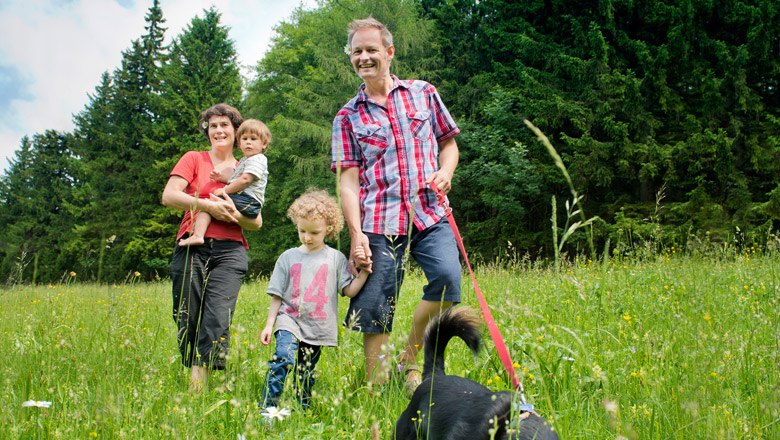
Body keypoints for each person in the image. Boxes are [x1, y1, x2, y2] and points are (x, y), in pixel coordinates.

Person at [331, 17, 463, 394]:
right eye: (356, 51)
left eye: (371, 49)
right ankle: (377, 389)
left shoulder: (423, 93)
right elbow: (348, 181)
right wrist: (356, 234)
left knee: (448, 281)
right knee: (375, 304)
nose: (363, 57)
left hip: (429, 212)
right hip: (378, 219)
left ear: (389, 52)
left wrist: (446, 171)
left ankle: (410, 357)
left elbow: (448, 143)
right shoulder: (347, 116)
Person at [162, 103, 262, 391]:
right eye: (213, 126)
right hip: (192, 245)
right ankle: (194, 375)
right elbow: (169, 196)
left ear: (236, 131)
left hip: (230, 250)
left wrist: (231, 214)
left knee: (217, 316)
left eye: (224, 125)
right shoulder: (194, 159)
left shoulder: (246, 166)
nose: (218, 131)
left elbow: (256, 222)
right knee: (187, 313)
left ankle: (197, 389)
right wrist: (207, 206)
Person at [259, 189, 370, 410]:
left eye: (314, 232)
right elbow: (277, 295)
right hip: (288, 320)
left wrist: (365, 272)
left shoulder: (336, 258)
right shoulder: (287, 257)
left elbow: (349, 291)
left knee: (306, 371)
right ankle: (268, 409)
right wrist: (270, 325)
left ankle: (302, 410)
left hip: (317, 326)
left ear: (328, 229)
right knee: (283, 358)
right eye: (302, 231)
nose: (307, 237)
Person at [179, 118, 270, 247]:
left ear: (264, 144)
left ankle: (198, 235)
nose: (248, 142)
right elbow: (239, 179)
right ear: (239, 143)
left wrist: (224, 190)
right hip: (248, 201)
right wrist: (222, 178)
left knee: (209, 204)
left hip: (248, 201)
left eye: (253, 139)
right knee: (212, 205)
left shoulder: (257, 159)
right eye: (244, 139)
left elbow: (245, 180)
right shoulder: (246, 160)